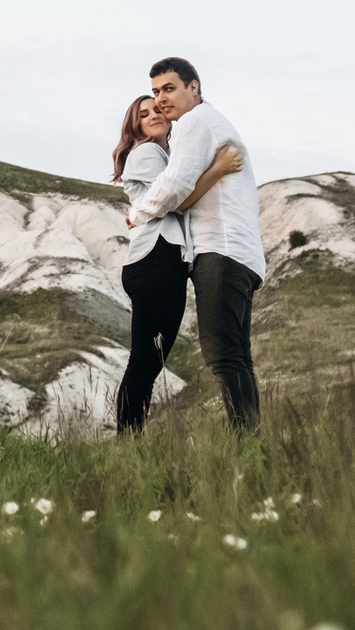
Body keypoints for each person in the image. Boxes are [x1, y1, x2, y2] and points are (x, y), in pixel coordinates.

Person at [125, 56, 266, 429]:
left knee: (223, 356)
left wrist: (138, 213)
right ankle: (250, 442)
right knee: (236, 356)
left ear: (194, 87)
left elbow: (173, 188)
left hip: (219, 250)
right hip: (238, 252)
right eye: (156, 91)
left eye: (169, 89)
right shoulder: (208, 123)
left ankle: (247, 442)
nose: (161, 99)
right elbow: (184, 192)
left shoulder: (194, 123)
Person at [111, 93, 243, 432]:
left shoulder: (164, 154)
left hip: (162, 261)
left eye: (157, 109)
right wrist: (219, 169)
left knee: (150, 363)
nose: (154, 115)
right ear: (134, 126)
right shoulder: (145, 152)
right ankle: (127, 439)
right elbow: (176, 199)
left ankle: (131, 439)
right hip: (154, 259)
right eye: (144, 114)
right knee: (144, 362)